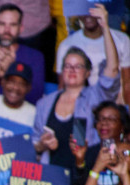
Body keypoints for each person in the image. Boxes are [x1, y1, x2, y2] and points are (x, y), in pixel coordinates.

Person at [33, 4, 119, 167]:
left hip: (86, 175)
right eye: (67, 66)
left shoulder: (96, 97)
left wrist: (105, 27)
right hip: (52, 180)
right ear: (61, 70)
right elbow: (34, 147)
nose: (72, 70)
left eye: (78, 66)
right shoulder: (44, 104)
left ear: (87, 73)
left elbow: (112, 69)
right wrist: (41, 145)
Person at [0, 5, 45, 103]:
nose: (6, 30)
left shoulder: (35, 57)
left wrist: (11, 70)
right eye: (2, 24)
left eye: (13, 25)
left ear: (21, 28)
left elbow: (35, 99)